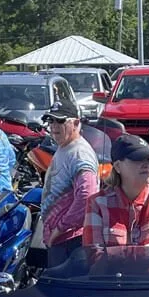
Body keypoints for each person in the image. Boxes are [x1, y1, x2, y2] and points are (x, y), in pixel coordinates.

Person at [83, 134, 149, 269]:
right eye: (138, 159)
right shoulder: (96, 203)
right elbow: (94, 255)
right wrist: (147, 252)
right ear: (117, 166)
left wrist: (115, 255)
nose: (146, 164)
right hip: (115, 283)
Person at [40, 100, 99, 266]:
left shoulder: (80, 153)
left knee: (63, 288)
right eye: (51, 121)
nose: (54, 126)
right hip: (61, 239)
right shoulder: (67, 146)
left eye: (60, 121)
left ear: (76, 123)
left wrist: (60, 229)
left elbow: (87, 195)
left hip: (71, 241)